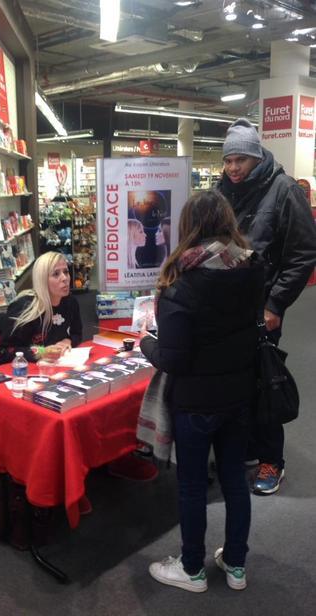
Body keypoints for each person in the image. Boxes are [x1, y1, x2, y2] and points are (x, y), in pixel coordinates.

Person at [140, 190, 264, 593]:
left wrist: (145, 343)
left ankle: (192, 568)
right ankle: (236, 563)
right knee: (233, 479)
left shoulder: (182, 284)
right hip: (240, 394)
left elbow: (172, 357)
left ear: (188, 227)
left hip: (195, 402)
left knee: (192, 485)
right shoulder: (251, 269)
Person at [217, 118, 316, 495]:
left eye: (240, 159)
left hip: (264, 307)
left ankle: (272, 459)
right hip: (227, 304)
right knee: (235, 381)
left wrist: (275, 305)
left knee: (265, 382)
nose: (233, 168)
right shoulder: (224, 190)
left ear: (257, 157)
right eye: (228, 161)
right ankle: (247, 447)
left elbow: (304, 253)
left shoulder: (284, 189)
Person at [0, 251, 82, 363]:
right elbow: (5, 351)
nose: (65, 278)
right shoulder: (24, 307)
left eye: (66, 272)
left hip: (55, 365)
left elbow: (77, 333)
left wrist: (68, 341)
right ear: (42, 280)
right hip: (25, 370)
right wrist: (41, 352)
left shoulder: (70, 302)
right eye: (56, 274)